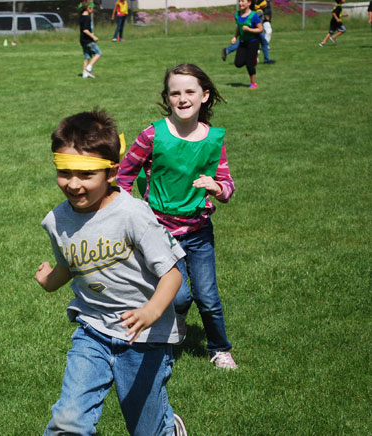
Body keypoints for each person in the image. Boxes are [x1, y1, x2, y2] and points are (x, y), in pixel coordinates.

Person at [36, 110, 189, 436]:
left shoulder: (133, 214)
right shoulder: (57, 220)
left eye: (85, 174)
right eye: (64, 172)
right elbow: (70, 265)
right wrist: (49, 280)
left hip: (144, 339)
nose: (73, 184)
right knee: (68, 422)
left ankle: (167, 428)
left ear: (111, 173)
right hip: (91, 330)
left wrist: (151, 310)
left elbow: (173, 273)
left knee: (146, 429)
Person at [116, 64, 238, 370]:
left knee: (208, 297)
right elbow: (124, 173)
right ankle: (177, 322)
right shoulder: (152, 134)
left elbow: (228, 185)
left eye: (190, 92)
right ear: (167, 98)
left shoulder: (213, 139)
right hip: (160, 232)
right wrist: (126, 207)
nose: (182, 99)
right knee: (179, 296)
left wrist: (217, 187)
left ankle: (220, 349)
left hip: (198, 231)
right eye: (175, 93)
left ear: (204, 96)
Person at [231, 0, 263, 89]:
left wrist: (249, 30)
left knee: (249, 64)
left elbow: (260, 29)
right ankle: (253, 59)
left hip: (253, 42)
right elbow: (238, 27)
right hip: (242, 42)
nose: (241, 3)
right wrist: (235, 37)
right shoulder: (237, 15)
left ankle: (253, 83)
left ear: (249, 3)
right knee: (238, 63)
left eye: (243, 1)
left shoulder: (254, 16)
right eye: (240, 1)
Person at [79, 1, 101, 79]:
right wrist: (93, 36)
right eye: (92, 8)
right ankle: (88, 69)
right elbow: (85, 30)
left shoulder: (82, 16)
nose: (93, 10)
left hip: (82, 40)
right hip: (88, 40)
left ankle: (85, 74)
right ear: (88, 8)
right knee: (98, 53)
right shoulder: (87, 18)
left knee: (87, 57)